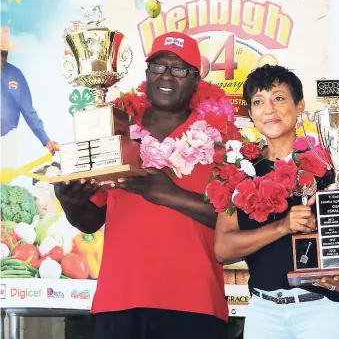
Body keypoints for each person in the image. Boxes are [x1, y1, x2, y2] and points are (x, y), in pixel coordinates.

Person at [54, 32, 228, 339]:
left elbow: (236, 224)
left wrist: (168, 194)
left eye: (179, 69)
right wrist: (71, 203)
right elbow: (92, 221)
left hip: (195, 302)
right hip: (120, 300)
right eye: (158, 67)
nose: (167, 76)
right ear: (147, 74)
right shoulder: (116, 133)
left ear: (196, 79)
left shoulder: (221, 140)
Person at [214, 64, 339, 339]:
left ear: (300, 105)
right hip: (263, 312)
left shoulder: (331, 166)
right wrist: (282, 226)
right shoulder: (239, 170)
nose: (269, 109)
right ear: (251, 112)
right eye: (258, 102)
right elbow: (223, 248)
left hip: (325, 310)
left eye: (278, 98)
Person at [1, 27, 58, 156]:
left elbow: (28, 110)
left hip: (7, 139)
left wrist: (46, 140)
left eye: (4, 53)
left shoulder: (15, 74)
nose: (2, 57)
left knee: (6, 175)